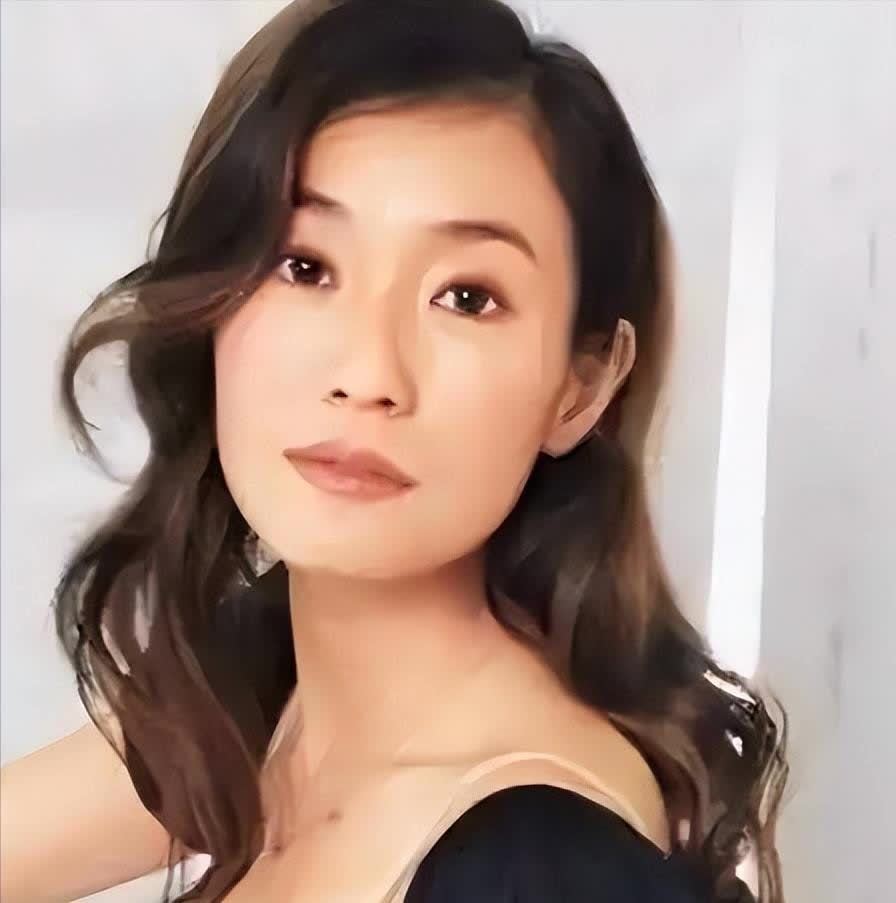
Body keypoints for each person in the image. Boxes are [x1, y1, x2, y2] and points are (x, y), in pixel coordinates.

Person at [0, 1, 787, 900]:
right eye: (304, 266)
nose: (369, 373)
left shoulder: (539, 865)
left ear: (581, 387)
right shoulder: (274, 703)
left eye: (467, 297)